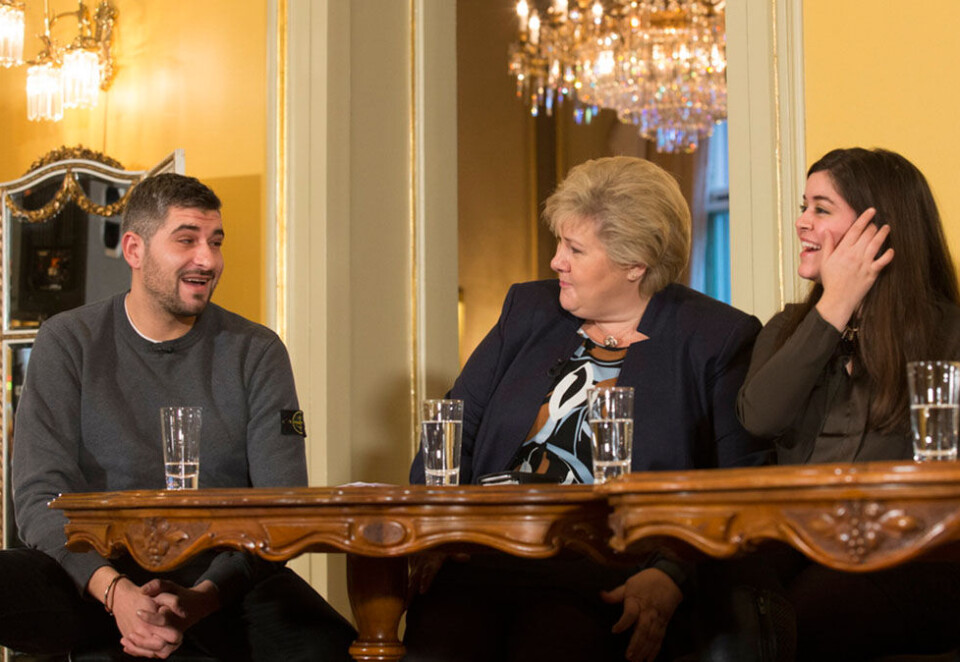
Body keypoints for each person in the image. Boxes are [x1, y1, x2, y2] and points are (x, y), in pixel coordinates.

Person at [406, 156, 775, 662]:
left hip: (603, 567)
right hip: (486, 550)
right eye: (560, 242)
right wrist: (431, 526)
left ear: (635, 263)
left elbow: (741, 485)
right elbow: (453, 425)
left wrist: (670, 574)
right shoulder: (528, 309)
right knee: (439, 643)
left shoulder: (715, 338)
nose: (557, 260)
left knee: (553, 641)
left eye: (575, 249)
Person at [0, 173, 356, 660]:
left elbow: (282, 507)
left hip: (223, 579)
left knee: (329, 647)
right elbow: (41, 498)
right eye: (186, 240)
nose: (207, 260)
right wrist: (116, 594)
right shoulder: (68, 341)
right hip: (94, 573)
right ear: (134, 250)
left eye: (215, 242)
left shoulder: (257, 351)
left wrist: (201, 600)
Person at [738, 147, 960, 659]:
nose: (801, 222)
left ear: (878, 229)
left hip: (914, 558)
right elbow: (758, 419)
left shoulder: (947, 334)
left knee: (814, 615)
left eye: (820, 208)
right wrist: (834, 306)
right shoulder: (787, 330)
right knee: (731, 591)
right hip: (801, 545)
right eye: (803, 205)